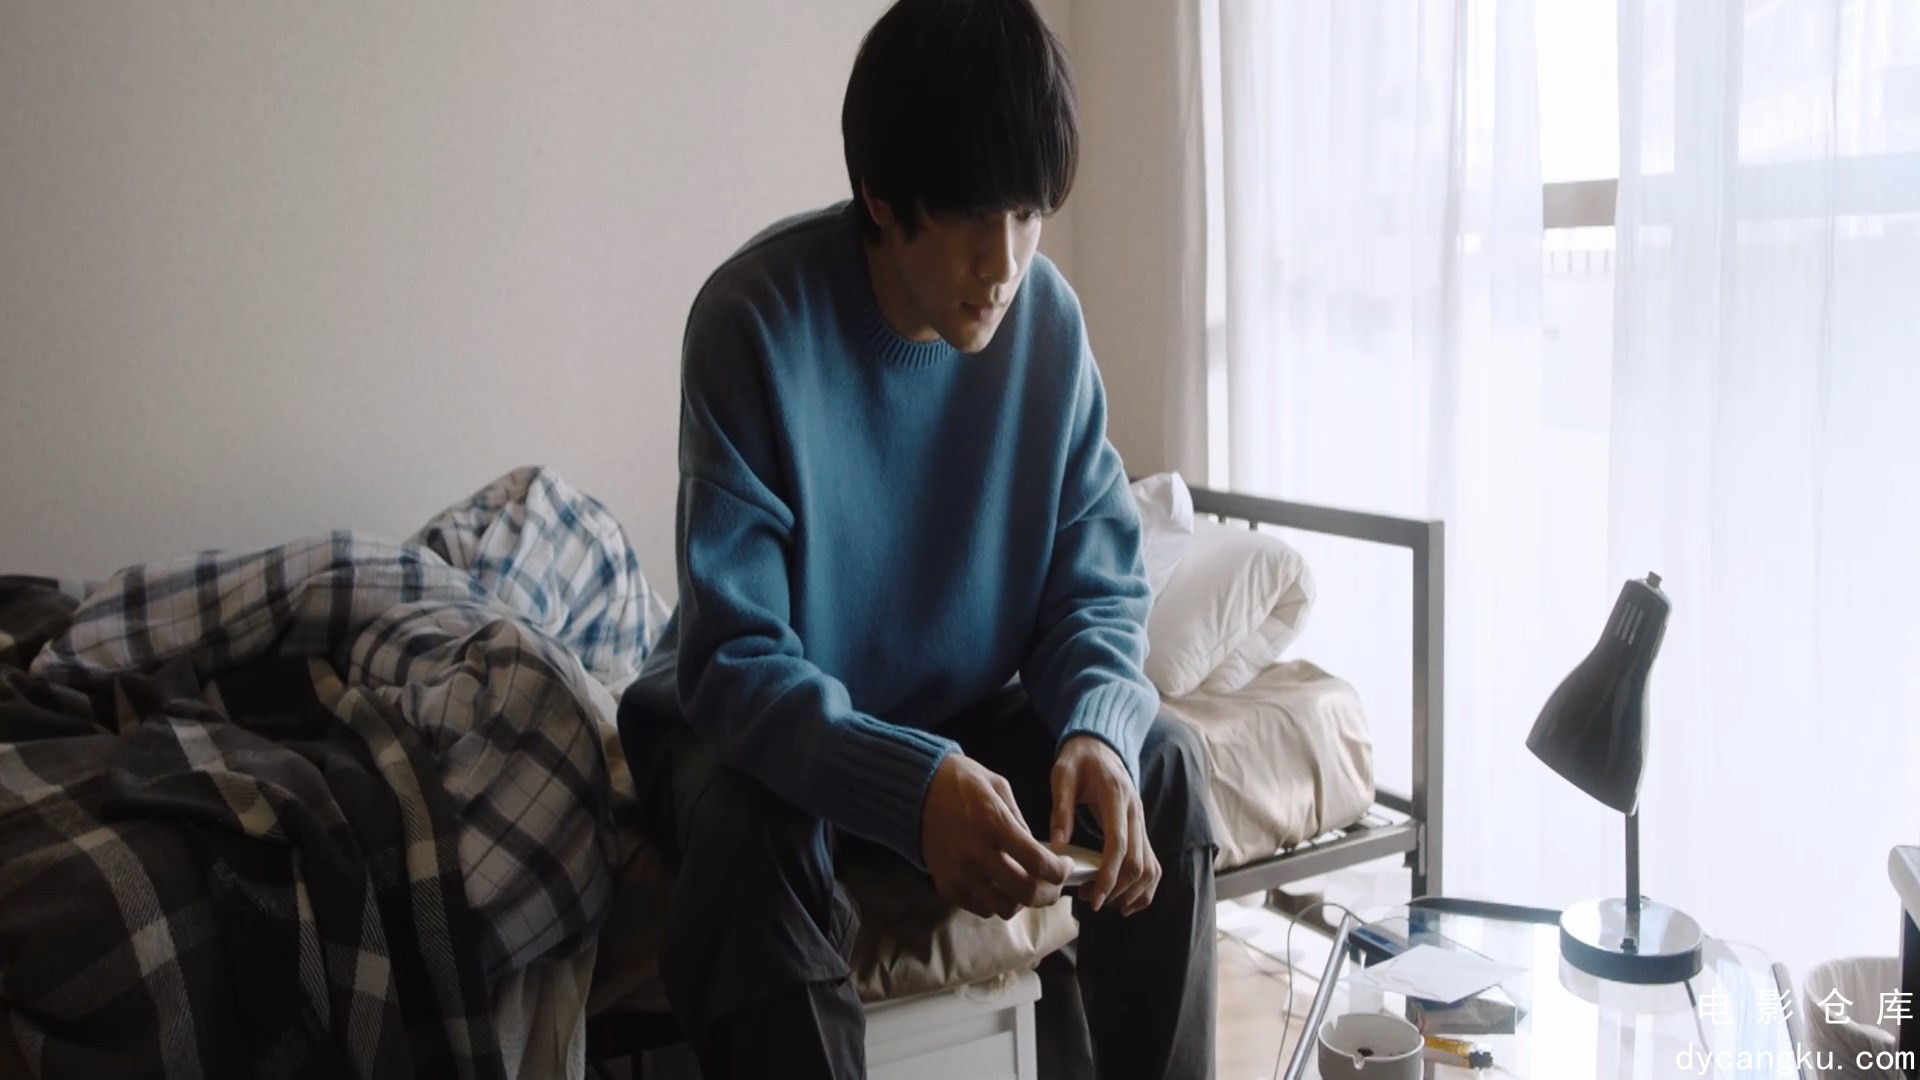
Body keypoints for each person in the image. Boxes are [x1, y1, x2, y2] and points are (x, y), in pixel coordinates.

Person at [616, 0, 1217, 1075]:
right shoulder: (753, 323)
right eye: (972, 216)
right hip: (756, 729)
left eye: (1028, 213)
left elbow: (1095, 587)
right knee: (747, 848)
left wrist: (1096, 728)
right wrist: (911, 785)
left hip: (960, 711)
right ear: (882, 196)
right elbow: (737, 663)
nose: (1004, 262)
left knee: (1161, 765)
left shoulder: (1048, 325)